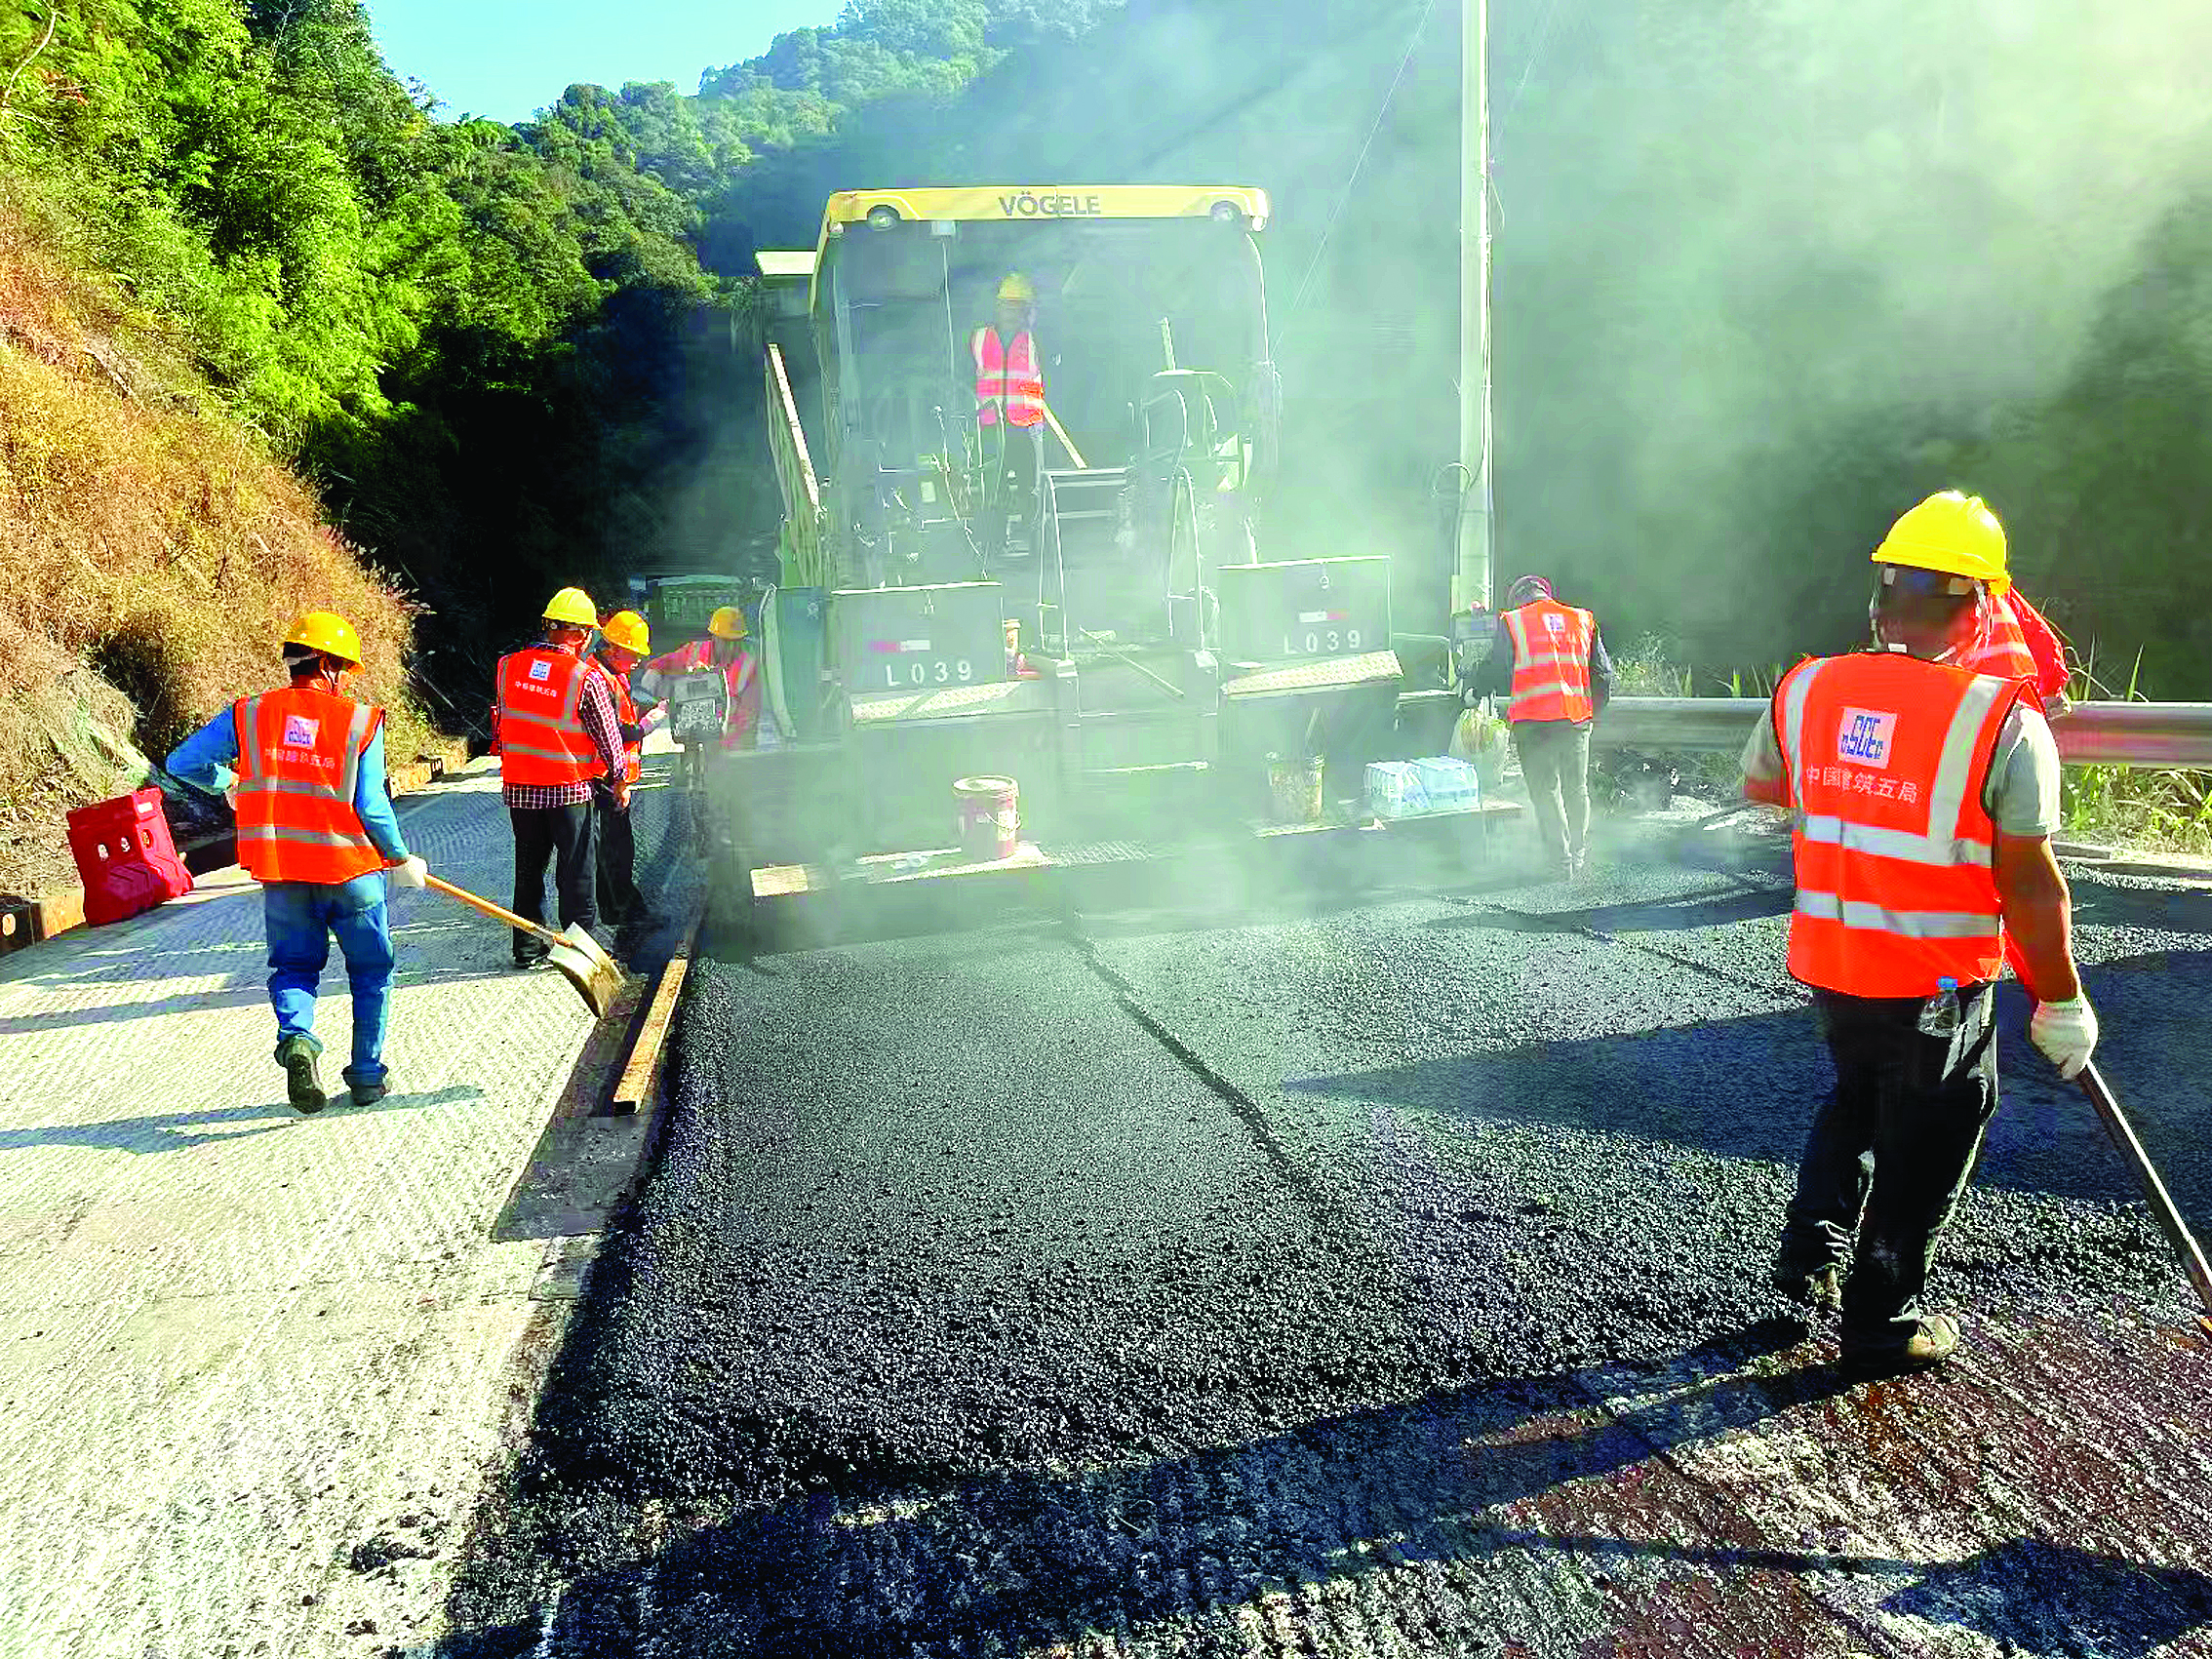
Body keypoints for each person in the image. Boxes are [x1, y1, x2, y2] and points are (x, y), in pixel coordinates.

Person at [1739, 490, 2097, 1374]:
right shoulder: (2003, 720)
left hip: (1833, 957)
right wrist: (2060, 998)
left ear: (1881, 594)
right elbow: (2027, 878)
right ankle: (1880, 1314)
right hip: (1935, 977)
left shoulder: (1808, 684)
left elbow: (1765, 786)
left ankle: (1811, 1252)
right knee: (1935, 1129)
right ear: (1980, 604)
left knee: (1858, 1090)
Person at [167, 612, 429, 1114]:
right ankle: (368, 1076)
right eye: (346, 668)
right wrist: (399, 857)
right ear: (329, 665)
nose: (349, 678)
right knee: (372, 970)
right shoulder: (358, 720)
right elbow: (371, 806)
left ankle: (299, 1039)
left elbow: (182, 763)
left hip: (283, 870)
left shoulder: (250, 713)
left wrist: (231, 784)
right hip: (351, 872)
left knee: (293, 966)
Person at [492, 588, 628, 968]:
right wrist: (619, 778)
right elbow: (607, 736)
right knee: (576, 871)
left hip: (520, 788)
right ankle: (579, 952)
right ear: (583, 635)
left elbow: (505, 720)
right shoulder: (584, 677)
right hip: (568, 789)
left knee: (529, 870)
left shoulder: (507, 667)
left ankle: (527, 948)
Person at [1466, 574, 1615, 878]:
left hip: (1533, 722)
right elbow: (1604, 674)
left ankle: (1560, 864)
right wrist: (1593, 712)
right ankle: (1578, 854)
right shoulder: (1582, 619)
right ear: (1546, 594)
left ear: (1518, 599)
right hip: (1575, 719)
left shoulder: (1514, 622)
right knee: (1577, 789)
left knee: (1546, 792)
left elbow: (1499, 667)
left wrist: (1476, 690)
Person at [589, 610, 664, 937]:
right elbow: (616, 732)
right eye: (633, 654)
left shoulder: (611, 675)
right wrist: (650, 723)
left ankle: (613, 907)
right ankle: (623, 910)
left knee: (615, 847)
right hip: (603, 778)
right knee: (615, 849)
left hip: (609, 776)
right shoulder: (598, 678)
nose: (637, 661)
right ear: (612, 649)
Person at [973, 271, 1046, 556]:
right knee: (994, 489)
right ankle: (994, 544)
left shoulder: (1035, 339)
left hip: (1026, 426)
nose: (1011, 312)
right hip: (992, 426)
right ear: (997, 307)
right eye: (1006, 306)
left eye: (1018, 307)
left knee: (1030, 488)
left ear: (1026, 310)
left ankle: (1035, 544)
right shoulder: (979, 338)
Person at [641, 605, 762, 751]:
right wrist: (653, 674)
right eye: (726, 641)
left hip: (730, 742)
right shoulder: (695, 651)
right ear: (714, 637)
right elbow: (666, 662)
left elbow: (747, 717)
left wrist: (722, 746)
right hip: (694, 734)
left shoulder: (748, 666)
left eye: (735, 642)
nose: (730, 647)